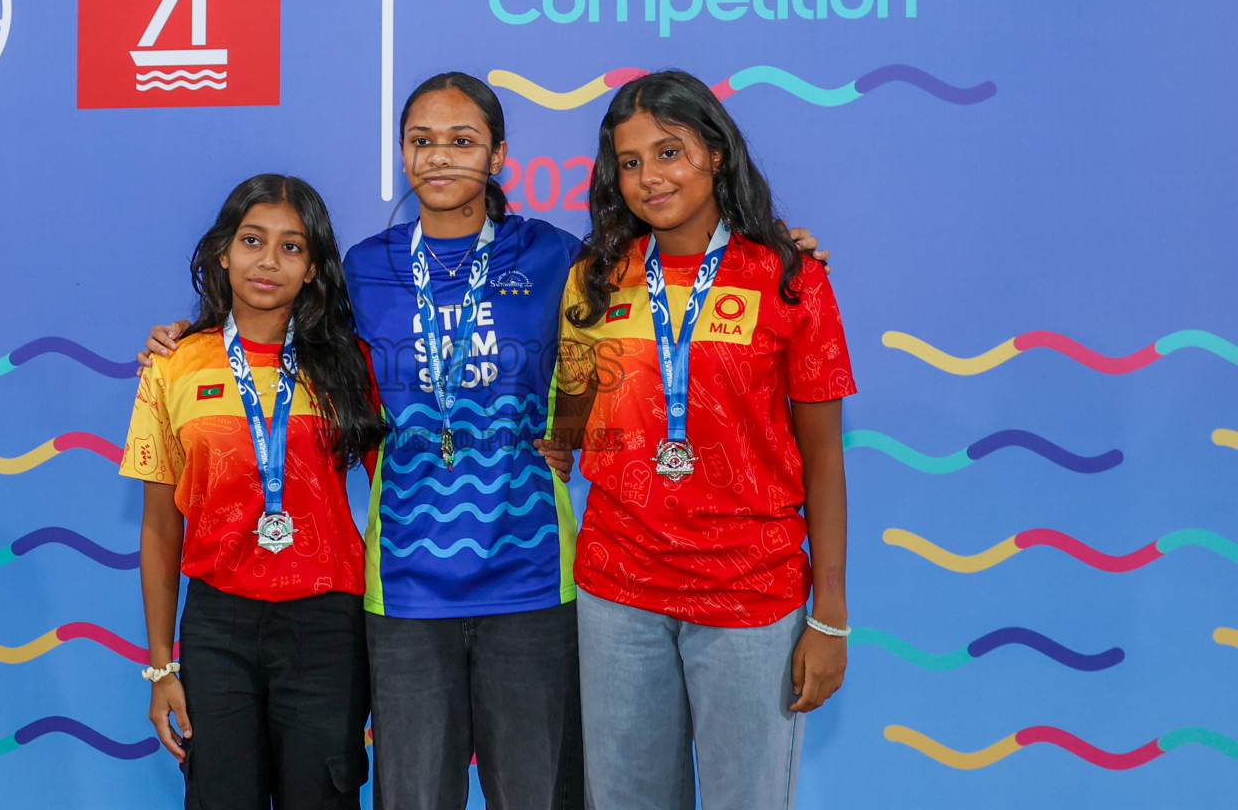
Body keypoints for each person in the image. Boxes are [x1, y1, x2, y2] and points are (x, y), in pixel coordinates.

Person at [138, 72, 829, 810]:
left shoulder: (559, 256)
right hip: (404, 589)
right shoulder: (364, 270)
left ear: (499, 155)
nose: (440, 158)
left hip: (533, 583)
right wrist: (192, 338)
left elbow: (622, 320)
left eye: (462, 142)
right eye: (422, 142)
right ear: (402, 155)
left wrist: (770, 250)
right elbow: (275, 333)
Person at [552, 70, 854, 810]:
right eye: (630, 162)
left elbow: (823, 457)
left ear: (716, 153)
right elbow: (569, 424)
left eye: (669, 152)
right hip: (618, 592)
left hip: (751, 595)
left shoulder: (789, 278)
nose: (650, 177)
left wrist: (830, 614)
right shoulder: (593, 281)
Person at [121, 173, 386, 810]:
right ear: (222, 252)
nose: (268, 261)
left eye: (291, 247)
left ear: (315, 267)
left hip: (328, 624)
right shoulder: (173, 363)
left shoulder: (351, 362)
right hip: (219, 627)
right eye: (251, 240)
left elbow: (393, 496)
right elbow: (160, 528)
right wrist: (162, 668)